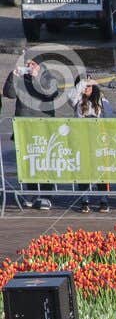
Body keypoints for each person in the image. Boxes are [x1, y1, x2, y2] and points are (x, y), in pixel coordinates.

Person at [4, 56, 68, 208]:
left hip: (43, 127)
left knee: (45, 161)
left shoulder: (47, 75)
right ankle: (32, 193)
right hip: (24, 126)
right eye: (27, 64)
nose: (29, 66)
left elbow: (51, 93)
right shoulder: (20, 76)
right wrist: (13, 76)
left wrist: (37, 75)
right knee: (28, 160)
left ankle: (46, 195)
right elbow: (9, 94)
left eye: (32, 63)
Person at [71, 80, 112, 211]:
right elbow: (70, 96)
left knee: (100, 169)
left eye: (89, 86)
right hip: (82, 139)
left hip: (98, 139)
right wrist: (82, 83)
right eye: (83, 86)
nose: (86, 88)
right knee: (83, 170)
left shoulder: (101, 99)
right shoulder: (77, 100)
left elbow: (110, 116)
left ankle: (103, 199)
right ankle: (84, 200)